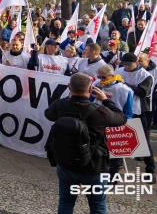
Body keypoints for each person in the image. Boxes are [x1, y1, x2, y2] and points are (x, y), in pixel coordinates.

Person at [45, 73, 126, 213]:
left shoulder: (60, 105)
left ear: (69, 87)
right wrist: (106, 100)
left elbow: (48, 114)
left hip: (66, 163)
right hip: (94, 167)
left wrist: (68, 98)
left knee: (66, 202)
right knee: (97, 205)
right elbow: (121, 118)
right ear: (90, 90)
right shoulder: (101, 111)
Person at [115, 53, 156, 182]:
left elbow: (142, 92)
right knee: (119, 138)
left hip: (138, 110)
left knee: (142, 140)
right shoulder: (120, 70)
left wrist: (125, 83)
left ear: (136, 63)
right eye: (124, 64)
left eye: (128, 65)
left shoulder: (145, 76)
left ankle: (150, 169)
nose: (126, 67)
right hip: (121, 108)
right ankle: (116, 166)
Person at [94, 65, 134, 179]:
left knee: (115, 155)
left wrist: (122, 125)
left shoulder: (125, 90)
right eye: (99, 76)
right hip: (99, 123)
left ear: (112, 76)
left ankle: (112, 179)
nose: (101, 79)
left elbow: (129, 112)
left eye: (104, 77)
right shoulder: (97, 85)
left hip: (116, 124)